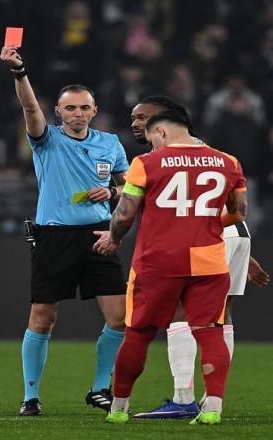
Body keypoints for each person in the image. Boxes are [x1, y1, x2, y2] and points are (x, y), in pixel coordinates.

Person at [94, 110, 248, 425]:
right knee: (210, 331)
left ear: (161, 132)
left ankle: (119, 409)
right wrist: (204, 226)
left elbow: (124, 214)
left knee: (138, 333)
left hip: (158, 261)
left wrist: (114, 238)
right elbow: (239, 211)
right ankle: (213, 408)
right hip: (208, 261)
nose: (152, 145)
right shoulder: (228, 161)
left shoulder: (146, 163)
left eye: (152, 139)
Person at [0, 45, 129, 416]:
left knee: (120, 318)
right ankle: (30, 396)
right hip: (54, 236)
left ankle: (100, 388)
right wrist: (19, 72)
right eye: (70, 108)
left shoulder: (110, 143)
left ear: (94, 111)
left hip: (100, 235)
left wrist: (113, 192)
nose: (77, 113)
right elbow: (30, 109)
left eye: (84, 107)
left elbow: (130, 187)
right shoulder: (47, 139)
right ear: (58, 112)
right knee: (43, 317)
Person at [129, 96, 270, 419]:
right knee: (220, 318)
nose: (137, 124)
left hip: (207, 237)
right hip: (231, 232)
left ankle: (183, 398)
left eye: (144, 118)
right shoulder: (205, 152)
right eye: (134, 118)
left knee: (182, 311)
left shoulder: (168, 155)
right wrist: (242, 250)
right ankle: (212, 399)